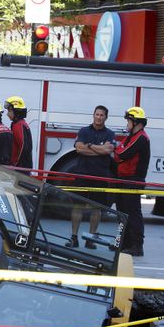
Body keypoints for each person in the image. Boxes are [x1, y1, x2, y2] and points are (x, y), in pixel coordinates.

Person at [66, 105, 116, 248]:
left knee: (96, 209)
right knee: (77, 207)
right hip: (82, 174)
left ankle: (90, 240)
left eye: (102, 115)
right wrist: (98, 149)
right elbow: (79, 149)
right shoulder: (84, 131)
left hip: (100, 176)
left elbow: (108, 150)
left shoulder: (110, 134)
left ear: (106, 117)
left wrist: (89, 146)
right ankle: (74, 238)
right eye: (97, 114)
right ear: (93, 115)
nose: (99, 117)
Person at [113, 107, 151, 257]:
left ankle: (137, 245)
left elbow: (122, 153)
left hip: (133, 180)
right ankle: (124, 244)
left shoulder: (141, 138)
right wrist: (118, 151)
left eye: (128, 120)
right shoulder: (131, 136)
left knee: (133, 213)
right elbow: (119, 154)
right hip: (123, 179)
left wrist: (118, 151)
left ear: (136, 122)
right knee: (122, 213)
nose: (127, 123)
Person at [4, 96, 33, 169]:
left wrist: (15, 165)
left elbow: (23, 147)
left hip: (20, 168)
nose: (7, 114)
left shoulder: (19, 125)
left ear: (17, 111)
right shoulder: (19, 124)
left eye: (9, 111)